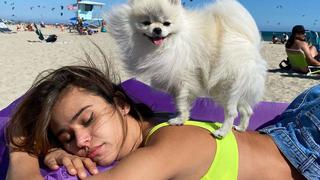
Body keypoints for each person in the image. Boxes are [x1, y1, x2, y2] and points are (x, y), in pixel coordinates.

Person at [5, 62, 319, 179]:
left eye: (87, 120)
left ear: (121, 104)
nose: (81, 141)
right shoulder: (153, 134)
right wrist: (51, 151)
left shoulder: (171, 143)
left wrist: (20, 148)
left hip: (310, 142)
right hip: (292, 126)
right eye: (67, 137)